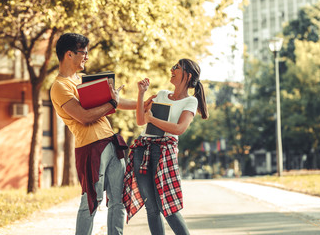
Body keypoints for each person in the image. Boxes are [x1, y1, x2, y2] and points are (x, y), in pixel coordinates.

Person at [50, 33, 151, 235]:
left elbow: (115, 102)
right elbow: (84, 116)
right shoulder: (59, 87)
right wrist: (111, 103)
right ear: (69, 54)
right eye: (84, 53)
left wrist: (142, 103)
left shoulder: (82, 80)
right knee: (91, 201)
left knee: (118, 200)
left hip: (111, 144)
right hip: (90, 147)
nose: (87, 57)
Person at [123, 58, 208, 235]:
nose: (172, 69)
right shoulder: (161, 94)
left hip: (164, 153)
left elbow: (178, 129)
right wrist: (141, 94)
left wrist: (152, 119)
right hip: (143, 150)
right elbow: (140, 121)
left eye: (176, 67)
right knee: (151, 208)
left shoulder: (190, 102)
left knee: (167, 207)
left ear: (187, 74)